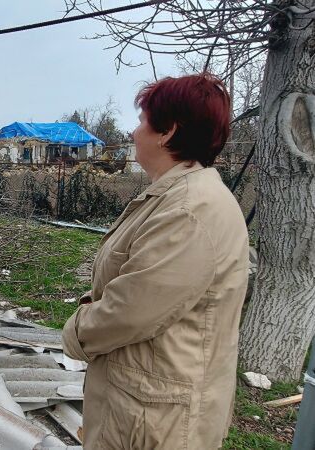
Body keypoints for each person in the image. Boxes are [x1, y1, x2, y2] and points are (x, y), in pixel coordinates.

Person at [62, 73, 249, 450]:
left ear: (167, 132)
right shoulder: (175, 197)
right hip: (147, 404)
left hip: (156, 420)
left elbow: (132, 309)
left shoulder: (189, 211)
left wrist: (77, 330)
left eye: (142, 122)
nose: (134, 133)